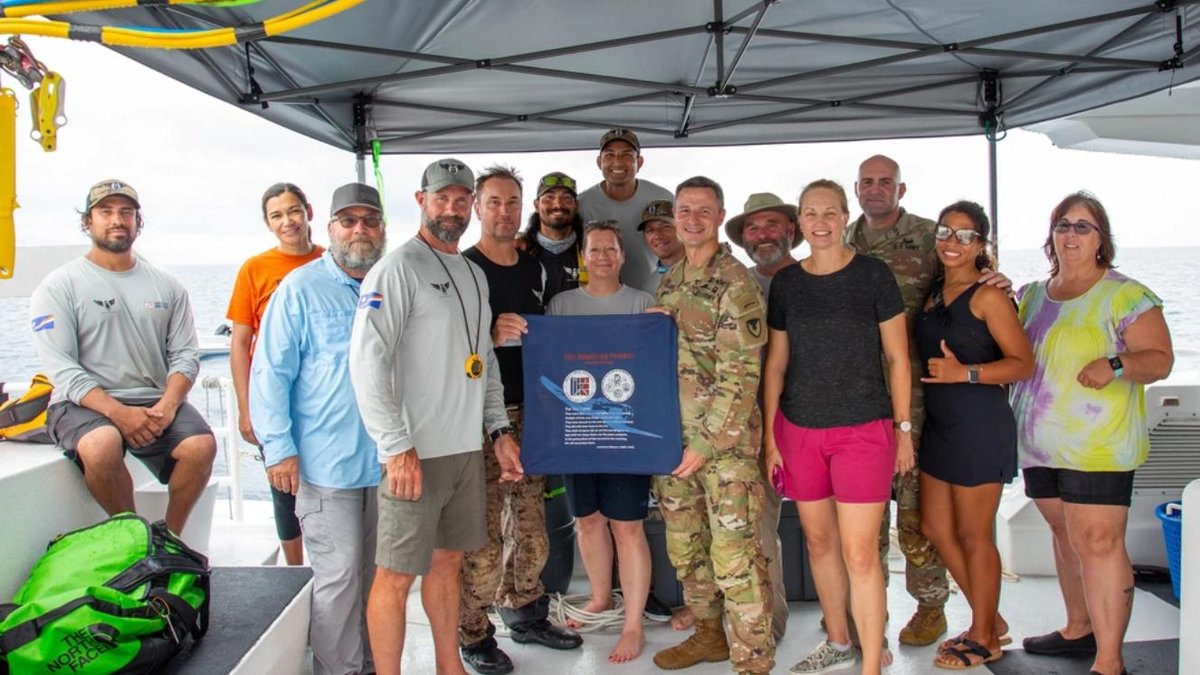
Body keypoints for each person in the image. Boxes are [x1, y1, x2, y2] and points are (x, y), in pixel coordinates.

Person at [350, 159, 524, 675]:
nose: (451, 209)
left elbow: (483, 359)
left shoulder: (473, 273)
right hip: (415, 453)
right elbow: (366, 361)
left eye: (460, 199)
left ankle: (450, 666)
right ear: (421, 200)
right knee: (395, 575)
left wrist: (499, 431)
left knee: (448, 564)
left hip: (465, 450)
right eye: (441, 198)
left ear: (472, 205)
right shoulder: (396, 268)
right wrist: (395, 446)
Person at [1010, 192, 1173, 675]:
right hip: (1039, 445)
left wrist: (1116, 364)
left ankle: (1109, 660)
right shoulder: (1031, 295)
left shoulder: (1125, 294)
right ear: (1051, 235)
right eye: (1063, 224)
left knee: (1099, 543)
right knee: (1065, 534)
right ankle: (1078, 629)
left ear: (1102, 239)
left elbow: (1160, 361)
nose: (1071, 234)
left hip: (1099, 447)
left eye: (1084, 226)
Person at [763, 179, 911, 675]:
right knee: (820, 543)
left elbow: (898, 358)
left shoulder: (873, 275)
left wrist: (904, 430)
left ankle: (871, 666)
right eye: (811, 213)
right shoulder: (787, 283)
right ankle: (840, 642)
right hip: (799, 430)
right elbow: (776, 364)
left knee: (861, 553)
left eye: (830, 212)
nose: (820, 222)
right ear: (798, 222)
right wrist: (770, 437)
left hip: (863, 430)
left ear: (845, 217)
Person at [249, 182, 386, 675]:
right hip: (326, 464)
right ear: (329, 228)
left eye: (369, 220)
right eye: (348, 221)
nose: (359, 230)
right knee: (339, 575)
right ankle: (337, 670)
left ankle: (370, 664)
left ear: (383, 228)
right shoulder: (299, 288)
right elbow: (270, 373)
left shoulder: (393, 282)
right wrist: (279, 449)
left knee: (377, 576)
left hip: (387, 461)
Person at [31, 179, 216, 535]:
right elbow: (62, 367)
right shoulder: (59, 285)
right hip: (81, 403)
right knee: (102, 444)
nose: (117, 219)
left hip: (152, 400)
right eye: (106, 212)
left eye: (126, 212)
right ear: (88, 222)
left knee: (201, 446)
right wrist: (119, 413)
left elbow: (185, 356)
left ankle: (169, 540)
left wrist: (168, 405)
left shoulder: (168, 286)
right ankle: (132, 537)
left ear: (137, 222)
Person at [459, 165, 582, 675]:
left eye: (512, 202)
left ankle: (525, 612)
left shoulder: (536, 269)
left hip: (532, 411)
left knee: (532, 528)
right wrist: (488, 337)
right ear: (477, 208)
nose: (504, 212)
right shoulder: (461, 270)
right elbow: (440, 347)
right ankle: (473, 632)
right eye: (494, 202)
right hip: (477, 417)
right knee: (484, 537)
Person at [651, 176, 775, 675]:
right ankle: (709, 635)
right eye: (685, 210)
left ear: (720, 216)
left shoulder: (735, 282)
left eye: (704, 210)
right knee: (686, 548)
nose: (693, 219)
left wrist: (705, 443)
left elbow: (741, 377)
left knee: (734, 557)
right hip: (672, 442)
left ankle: (753, 662)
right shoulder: (671, 279)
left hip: (723, 448)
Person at [913, 201, 1034, 670]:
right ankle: (991, 619)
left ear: (981, 244)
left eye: (965, 236)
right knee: (935, 528)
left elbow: (1023, 364)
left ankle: (984, 637)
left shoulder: (989, 295)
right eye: (946, 231)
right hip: (941, 425)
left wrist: (965, 373)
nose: (953, 242)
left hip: (979, 425)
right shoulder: (933, 290)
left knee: (974, 534)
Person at [845, 154, 949, 645]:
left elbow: (971, 280)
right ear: (856, 189)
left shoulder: (929, 237)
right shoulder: (842, 240)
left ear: (900, 190)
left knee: (912, 512)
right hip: (854, 395)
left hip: (914, 396)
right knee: (864, 513)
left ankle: (931, 606)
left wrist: (997, 279)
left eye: (885, 182)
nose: (875, 189)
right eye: (867, 182)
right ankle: (872, 611)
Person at [545, 221, 654, 664]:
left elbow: (653, 366)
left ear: (623, 256)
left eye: (611, 249)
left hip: (627, 432)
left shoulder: (642, 303)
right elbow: (549, 365)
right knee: (587, 521)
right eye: (595, 249)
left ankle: (633, 625)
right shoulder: (561, 305)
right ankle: (600, 597)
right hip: (578, 432)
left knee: (628, 527)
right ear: (583, 257)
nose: (603, 256)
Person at [226, 182, 323, 566]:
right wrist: (246, 408)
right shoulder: (255, 269)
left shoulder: (330, 260)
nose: (288, 221)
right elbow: (240, 343)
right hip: (273, 396)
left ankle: (329, 565)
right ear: (267, 223)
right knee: (283, 488)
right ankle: (295, 571)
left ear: (309, 211)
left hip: (321, 397)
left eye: (294, 211)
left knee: (325, 485)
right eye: (277, 215)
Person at [724, 191, 802, 644]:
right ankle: (770, 625)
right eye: (752, 228)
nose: (762, 234)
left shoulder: (815, 277)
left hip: (814, 422)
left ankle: (858, 629)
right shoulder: (738, 286)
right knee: (758, 530)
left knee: (837, 530)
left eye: (771, 224)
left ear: (791, 229)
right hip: (755, 426)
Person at [578, 128, 674, 291]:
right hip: (599, 295)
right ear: (599, 162)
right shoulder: (582, 204)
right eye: (609, 155)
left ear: (640, 162)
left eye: (626, 155)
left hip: (656, 292)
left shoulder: (663, 198)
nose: (618, 162)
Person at [519, 171, 586, 302]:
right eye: (549, 197)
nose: (558, 205)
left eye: (566, 198)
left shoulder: (592, 252)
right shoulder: (519, 252)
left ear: (576, 206)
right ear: (537, 205)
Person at [636, 199, 684, 295]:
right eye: (650, 230)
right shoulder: (649, 288)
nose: (657, 235)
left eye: (665, 227)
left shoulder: (709, 269)